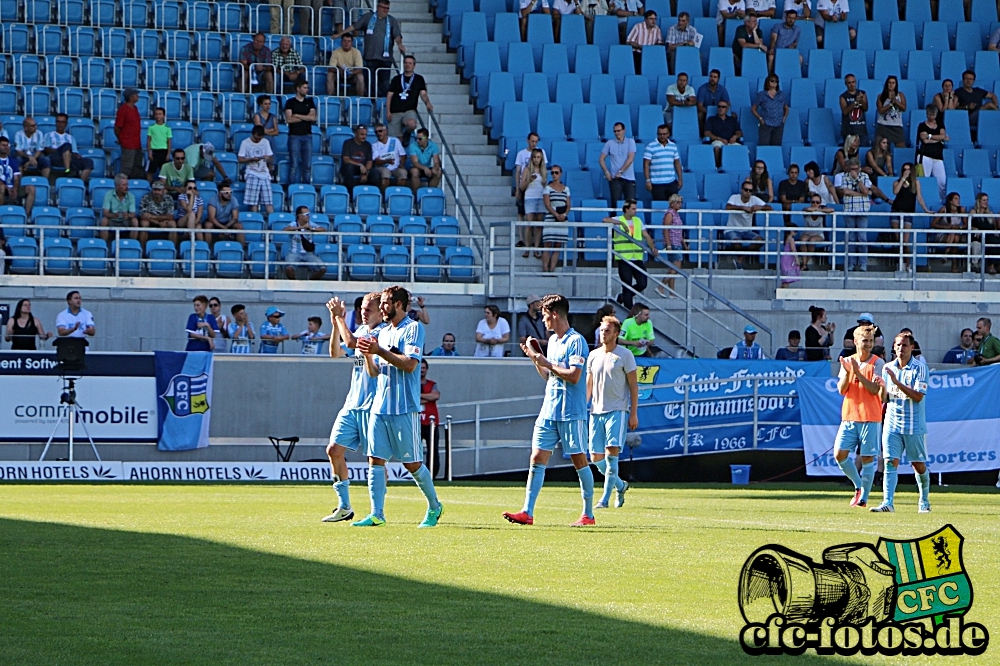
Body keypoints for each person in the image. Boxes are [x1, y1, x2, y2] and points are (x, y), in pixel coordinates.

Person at [354, 286, 443, 528]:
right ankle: (376, 514)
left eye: (385, 303)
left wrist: (379, 350)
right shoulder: (382, 333)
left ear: (400, 305)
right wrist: (368, 356)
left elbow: (410, 364)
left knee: (412, 464)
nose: (381, 308)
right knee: (375, 460)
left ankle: (435, 507)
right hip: (380, 407)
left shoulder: (413, 328)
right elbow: (374, 373)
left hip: (404, 408)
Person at [504, 294, 594, 527]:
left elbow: (574, 376)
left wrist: (545, 362)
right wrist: (535, 359)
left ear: (554, 314)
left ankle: (588, 514)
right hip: (549, 409)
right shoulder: (553, 341)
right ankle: (527, 511)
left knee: (578, 459)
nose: (543, 321)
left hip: (571, 411)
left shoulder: (577, 341)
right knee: (536, 457)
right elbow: (548, 375)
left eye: (544, 315)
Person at [322, 292, 384, 523]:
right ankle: (344, 506)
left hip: (373, 407)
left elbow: (349, 343)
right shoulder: (360, 331)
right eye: (362, 308)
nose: (363, 312)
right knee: (334, 450)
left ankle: (377, 512)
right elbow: (336, 352)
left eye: (369, 308)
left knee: (375, 460)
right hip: (352, 404)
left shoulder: (381, 334)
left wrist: (339, 317)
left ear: (381, 311)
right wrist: (334, 322)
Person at [872, 332, 931, 513]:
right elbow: (885, 399)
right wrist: (882, 386)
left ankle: (924, 501)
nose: (900, 348)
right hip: (892, 423)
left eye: (904, 345)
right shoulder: (888, 368)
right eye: (897, 345)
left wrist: (896, 382)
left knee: (917, 465)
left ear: (912, 348)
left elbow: (918, 397)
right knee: (890, 462)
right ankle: (887, 502)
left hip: (913, 424)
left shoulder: (920, 368)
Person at [587, 315, 637, 509]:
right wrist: (584, 406)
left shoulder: (625, 355)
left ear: (616, 334)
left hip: (617, 410)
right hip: (596, 411)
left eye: (607, 331)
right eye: (601, 330)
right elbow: (589, 384)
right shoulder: (593, 355)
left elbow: (633, 386)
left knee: (611, 454)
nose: (603, 334)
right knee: (595, 457)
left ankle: (604, 499)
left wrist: (633, 413)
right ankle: (620, 485)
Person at [834, 325, 884, 509]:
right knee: (839, 455)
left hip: (870, 416)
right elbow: (841, 390)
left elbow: (874, 390)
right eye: (865, 341)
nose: (869, 344)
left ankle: (864, 498)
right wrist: (848, 372)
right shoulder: (847, 361)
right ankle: (858, 486)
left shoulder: (878, 363)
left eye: (871, 341)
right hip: (849, 416)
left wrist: (857, 373)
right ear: (856, 342)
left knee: (868, 458)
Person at [333, 0, 406, 99]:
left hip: (386, 59)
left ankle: (381, 107)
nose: (385, 10)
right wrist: (339, 34)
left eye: (387, 8)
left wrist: (400, 44)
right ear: (378, 7)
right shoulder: (368, 17)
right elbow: (353, 27)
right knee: (370, 84)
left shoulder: (392, 20)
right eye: (383, 7)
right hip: (370, 58)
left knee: (384, 85)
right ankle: (371, 104)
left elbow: (397, 35)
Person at [604, 200, 660, 308]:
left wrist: (652, 247)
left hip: (637, 257)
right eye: (633, 209)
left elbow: (646, 236)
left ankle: (622, 297)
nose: (635, 211)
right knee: (627, 285)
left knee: (642, 283)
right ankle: (629, 310)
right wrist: (621, 224)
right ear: (626, 209)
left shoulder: (638, 220)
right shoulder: (618, 219)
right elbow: (605, 220)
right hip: (624, 258)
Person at [386, 54, 433, 142]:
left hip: (409, 110)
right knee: (396, 140)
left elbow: (423, 94)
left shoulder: (419, 79)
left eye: (410, 63)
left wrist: (428, 103)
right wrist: (388, 111)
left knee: (412, 124)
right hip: (395, 110)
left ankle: (407, 133)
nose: (407, 65)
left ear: (414, 65)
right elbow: (389, 95)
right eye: (406, 63)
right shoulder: (396, 79)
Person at [724, 181, 769, 268]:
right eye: (746, 190)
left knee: (760, 240)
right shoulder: (734, 197)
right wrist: (743, 208)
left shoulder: (754, 199)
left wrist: (760, 207)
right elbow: (728, 207)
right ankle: (740, 262)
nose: (748, 192)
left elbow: (770, 208)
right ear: (741, 190)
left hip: (747, 230)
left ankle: (740, 259)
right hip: (732, 229)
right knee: (737, 242)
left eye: (750, 190)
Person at [514, 133, 547, 249]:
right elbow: (518, 171)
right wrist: (518, 188)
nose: (534, 143)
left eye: (536, 141)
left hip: (539, 195)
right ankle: (523, 241)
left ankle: (536, 245)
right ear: (528, 140)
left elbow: (545, 175)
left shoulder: (543, 165)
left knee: (538, 222)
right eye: (532, 141)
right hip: (528, 192)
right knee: (524, 215)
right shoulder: (522, 155)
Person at [838, 158, 872, 272]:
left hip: (862, 210)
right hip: (849, 210)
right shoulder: (844, 177)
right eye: (851, 169)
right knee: (851, 239)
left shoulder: (865, 177)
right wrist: (861, 194)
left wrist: (857, 179)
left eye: (855, 169)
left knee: (862, 238)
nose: (853, 171)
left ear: (859, 168)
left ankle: (863, 264)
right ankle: (851, 264)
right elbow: (846, 192)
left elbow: (866, 191)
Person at [284, 80, 316, 185]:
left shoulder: (310, 102)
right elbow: (289, 119)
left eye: (307, 88)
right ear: (298, 88)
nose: (307, 90)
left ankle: (306, 186)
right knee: (294, 164)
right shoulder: (290, 102)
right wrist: (305, 117)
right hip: (294, 136)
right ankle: (291, 187)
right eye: (304, 88)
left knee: (307, 164)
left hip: (307, 136)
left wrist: (297, 115)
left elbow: (313, 118)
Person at [45, 114, 94, 182]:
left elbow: (74, 152)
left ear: (66, 123)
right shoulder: (49, 135)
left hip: (69, 159)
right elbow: (46, 150)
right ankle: (67, 171)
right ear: (55, 123)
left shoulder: (70, 137)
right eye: (58, 122)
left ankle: (80, 183)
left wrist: (71, 154)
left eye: (62, 122)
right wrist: (62, 151)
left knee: (89, 162)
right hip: (55, 158)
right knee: (66, 145)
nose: (60, 124)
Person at [541, 165, 571, 273]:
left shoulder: (566, 188)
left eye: (556, 173)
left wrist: (564, 214)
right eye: (552, 173)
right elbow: (547, 204)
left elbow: (568, 204)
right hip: (550, 217)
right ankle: (545, 269)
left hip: (562, 218)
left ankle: (552, 269)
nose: (554, 175)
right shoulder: (547, 189)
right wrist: (556, 214)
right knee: (548, 243)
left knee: (558, 244)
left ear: (560, 174)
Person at [283, 206, 327, 280]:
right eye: (307, 214)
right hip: (294, 253)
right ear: (300, 216)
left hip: (308, 253)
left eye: (309, 214)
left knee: (322, 268)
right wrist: (300, 228)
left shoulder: (310, 224)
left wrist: (312, 229)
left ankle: (310, 284)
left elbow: (323, 229)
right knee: (289, 268)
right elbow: (285, 229)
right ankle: (294, 286)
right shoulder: (294, 224)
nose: (309, 216)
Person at [238, 125, 275, 215]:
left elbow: (271, 158)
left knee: (268, 201)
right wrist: (251, 159)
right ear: (252, 134)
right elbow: (240, 159)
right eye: (256, 138)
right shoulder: (245, 143)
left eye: (260, 138)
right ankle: (255, 219)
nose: (258, 140)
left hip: (264, 173)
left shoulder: (265, 142)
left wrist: (267, 158)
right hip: (252, 172)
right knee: (253, 202)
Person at [658, 193, 689, 296]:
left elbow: (678, 232)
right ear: (672, 203)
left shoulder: (676, 214)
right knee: (676, 267)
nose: (680, 204)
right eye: (678, 202)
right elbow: (666, 230)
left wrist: (684, 245)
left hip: (677, 243)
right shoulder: (669, 214)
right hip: (672, 243)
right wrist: (668, 245)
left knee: (673, 268)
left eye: (681, 202)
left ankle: (672, 292)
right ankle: (661, 286)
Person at [599, 122, 637, 204]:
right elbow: (601, 159)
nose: (617, 133)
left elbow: (630, 159)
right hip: (615, 179)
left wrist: (620, 171)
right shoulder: (609, 143)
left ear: (624, 130)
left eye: (618, 131)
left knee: (630, 203)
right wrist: (606, 172)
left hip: (629, 178)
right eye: (615, 131)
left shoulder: (631, 142)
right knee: (615, 203)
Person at [643, 124, 683, 201]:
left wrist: (680, 179)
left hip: (671, 182)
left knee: (673, 207)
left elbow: (677, 163)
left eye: (664, 134)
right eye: (660, 134)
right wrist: (648, 180)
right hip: (657, 183)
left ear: (668, 134)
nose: (662, 136)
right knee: (660, 208)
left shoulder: (673, 146)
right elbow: (646, 164)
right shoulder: (650, 146)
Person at [916, 105, 948, 201]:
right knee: (925, 180)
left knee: (942, 182)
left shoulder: (940, 125)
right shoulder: (922, 125)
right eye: (929, 115)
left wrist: (930, 136)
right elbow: (924, 140)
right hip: (925, 156)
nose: (931, 117)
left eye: (933, 115)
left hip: (938, 157)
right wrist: (939, 139)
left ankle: (941, 201)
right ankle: (923, 200)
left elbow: (943, 135)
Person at [520, 148, 547, 257]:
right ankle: (527, 248)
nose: (536, 159)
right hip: (530, 197)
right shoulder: (527, 170)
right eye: (535, 157)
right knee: (529, 223)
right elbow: (522, 187)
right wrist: (529, 180)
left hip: (540, 197)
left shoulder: (544, 171)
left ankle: (536, 248)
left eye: (538, 157)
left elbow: (545, 187)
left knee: (539, 224)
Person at [0, 137, 36, 216]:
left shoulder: (12, 160)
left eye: (7, 145)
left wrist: (15, 188)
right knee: (1, 187)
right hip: (2, 187)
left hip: (12, 186)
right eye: (3, 145)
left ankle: (26, 216)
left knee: (31, 188)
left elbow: (16, 177)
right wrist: (6, 187)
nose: (6, 147)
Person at [956, 70, 999, 136]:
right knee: (989, 105)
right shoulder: (958, 92)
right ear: (963, 80)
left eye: (971, 79)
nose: (968, 81)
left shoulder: (978, 90)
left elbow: (993, 95)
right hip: (968, 118)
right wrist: (967, 107)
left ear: (973, 81)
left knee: (990, 111)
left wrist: (995, 106)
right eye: (966, 78)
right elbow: (954, 107)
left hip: (983, 116)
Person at [931, 192, 966, 273]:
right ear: (950, 201)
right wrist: (946, 227)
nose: (958, 201)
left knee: (955, 236)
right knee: (954, 236)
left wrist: (959, 227)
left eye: (958, 199)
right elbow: (933, 224)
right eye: (956, 199)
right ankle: (954, 264)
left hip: (956, 232)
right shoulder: (943, 210)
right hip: (943, 234)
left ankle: (946, 254)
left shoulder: (961, 210)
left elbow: (966, 224)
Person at [751, 74, 789, 146]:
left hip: (779, 124)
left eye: (776, 81)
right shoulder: (761, 95)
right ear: (767, 82)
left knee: (776, 146)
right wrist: (760, 119)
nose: (774, 82)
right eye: (772, 81)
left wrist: (784, 118)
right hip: (766, 123)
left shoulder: (781, 94)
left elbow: (786, 108)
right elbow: (753, 109)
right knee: (764, 145)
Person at [114, 88, 144, 180]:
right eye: (136, 94)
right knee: (127, 167)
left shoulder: (135, 108)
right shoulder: (123, 109)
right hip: (128, 144)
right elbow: (117, 127)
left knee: (137, 167)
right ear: (131, 97)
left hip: (136, 143)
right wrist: (121, 138)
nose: (138, 96)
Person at [419, 359, 442, 477]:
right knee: (415, 451)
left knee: (433, 451)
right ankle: (416, 475)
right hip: (416, 423)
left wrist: (419, 396)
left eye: (424, 368)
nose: (422, 370)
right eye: (420, 368)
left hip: (431, 423)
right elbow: (408, 398)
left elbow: (436, 395)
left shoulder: (432, 384)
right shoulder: (412, 383)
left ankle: (432, 475)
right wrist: (428, 398)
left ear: (427, 369)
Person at [703, 99, 742, 167]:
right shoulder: (711, 119)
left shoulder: (732, 119)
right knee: (717, 147)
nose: (721, 108)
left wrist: (735, 137)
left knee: (743, 150)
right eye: (719, 106)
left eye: (723, 107)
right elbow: (707, 133)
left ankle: (739, 167)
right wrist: (720, 139)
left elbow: (740, 132)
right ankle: (717, 167)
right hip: (717, 141)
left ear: (727, 109)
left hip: (730, 141)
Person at [797, 193, 831, 269]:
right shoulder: (807, 210)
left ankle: (804, 264)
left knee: (812, 240)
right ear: (810, 202)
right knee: (803, 240)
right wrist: (815, 209)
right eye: (813, 202)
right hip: (807, 233)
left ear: (820, 203)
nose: (815, 204)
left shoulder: (822, 211)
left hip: (818, 234)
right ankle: (805, 264)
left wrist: (818, 209)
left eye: (817, 202)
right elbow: (807, 209)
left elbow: (831, 210)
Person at [100, 174, 137, 242]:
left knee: (135, 221)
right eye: (124, 185)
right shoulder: (108, 195)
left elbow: (133, 214)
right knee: (104, 221)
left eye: (127, 184)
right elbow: (105, 213)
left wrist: (128, 215)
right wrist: (113, 215)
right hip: (112, 219)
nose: (127, 187)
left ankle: (132, 244)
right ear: (117, 185)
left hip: (125, 220)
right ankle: (103, 244)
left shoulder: (131, 196)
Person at [370, 124, 408, 191]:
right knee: (385, 174)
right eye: (376, 132)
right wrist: (387, 161)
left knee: (403, 174)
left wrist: (401, 164)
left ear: (386, 131)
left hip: (396, 167)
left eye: (380, 131)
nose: (378, 133)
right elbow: (376, 161)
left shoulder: (395, 141)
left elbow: (403, 155)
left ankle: (396, 194)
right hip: (382, 167)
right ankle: (384, 197)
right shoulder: (374, 145)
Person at [138, 180, 176, 246]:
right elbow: (143, 215)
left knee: (172, 223)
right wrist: (157, 223)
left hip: (163, 221)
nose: (157, 192)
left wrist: (154, 217)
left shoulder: (168, 198)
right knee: (144, 223)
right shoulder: (146, 197)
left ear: (163, 190)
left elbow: (170, 216)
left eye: (159, 190)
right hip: (150, 221)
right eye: (155, 190)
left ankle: (172, 248)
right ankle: (142, 250)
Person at [206, 181, 243, 246]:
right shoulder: (213, 200)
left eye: (230, 192)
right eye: (226, 193)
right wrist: (223, 228)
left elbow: (235, 218)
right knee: (208, 225)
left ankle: (241, 249)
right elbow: (211, 218)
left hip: (228, 223)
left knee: (239, 226)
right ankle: (207, 248)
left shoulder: (233, 200)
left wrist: (226, 227)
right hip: (215, 223)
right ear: (220, 194)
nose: (229, 195)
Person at [970, 192, 999, 274]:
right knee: (992, 240)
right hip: (978, 236)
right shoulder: (973, 212)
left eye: (987, 200)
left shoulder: (990, 214)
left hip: (989, 235)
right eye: (984, 200)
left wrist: (995, 232)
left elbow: (995, 227)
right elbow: (969, 225)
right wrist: (974, 228)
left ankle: (995, 265)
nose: (986, 202)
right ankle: (991, 266)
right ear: (979, 201)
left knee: (995, 240)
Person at [340, 124, 373, 196]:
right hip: (352, 168)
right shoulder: (348, 143)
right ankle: (350, 195)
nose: (364, 136)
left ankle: (370, 195)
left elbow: (369, 162)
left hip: (363, 169)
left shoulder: (368, 145)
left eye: (365, 134)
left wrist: (365, 172)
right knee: (349, 168)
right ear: (355, 133)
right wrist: (360, 165)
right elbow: (346, 159)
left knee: (375, 172)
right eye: (362, 134)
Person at [875, 75, 907, 149]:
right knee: (882, 148)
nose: (891, 84)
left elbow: (904, 108)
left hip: (897, 126)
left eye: (893, 83)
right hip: (883, 126)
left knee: (901, 147)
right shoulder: (881, 96)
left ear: (896, 85)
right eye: (889, 82)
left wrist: (895, 101)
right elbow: (881, 110)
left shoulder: (901, 95)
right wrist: (890, 104)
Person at [626, 10, 663, 74]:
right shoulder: (638, 27)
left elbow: (660, 42)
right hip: (638, 53)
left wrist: (654, 48)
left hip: (651, 54)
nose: (653, 21)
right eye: (651, 19)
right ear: (645, 19)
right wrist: (641, 47)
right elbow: (629, 41)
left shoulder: (657, 29)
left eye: (655, 19)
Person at [407, 128, 442, 194]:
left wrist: (435, 168)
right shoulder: (413, 146)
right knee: (415, 171)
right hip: (417, 167)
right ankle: (417, 195)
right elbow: (415, 163)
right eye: (417, 138)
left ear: (426, 138)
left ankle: (429, 193)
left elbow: (437, 162)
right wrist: (425, 168)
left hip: (427, 167)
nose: (417, 140)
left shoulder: (434, 146)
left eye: (420, 139)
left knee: (438, 172)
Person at [839, 74, 869, 145]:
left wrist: (860, 100)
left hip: (861, 129)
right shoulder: (843, 97)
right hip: (848, 130)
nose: (852, 84)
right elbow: (845, 111)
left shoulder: (862, 93)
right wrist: (855, 102)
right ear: (845, 84)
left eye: (853, 82)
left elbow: (866, 108)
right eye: (849, 83)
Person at [253, 95, 281, 165]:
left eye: (269, 104)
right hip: (260, 140)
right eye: (265, 104)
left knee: (271, 161)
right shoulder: (257, 115)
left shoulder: (273, 116)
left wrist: (266, 131)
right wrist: (271, 130)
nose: (268, 106)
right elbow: (259, 130)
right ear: (261, 104)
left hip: (271, 141)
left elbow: (277, 132)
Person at [146, 107, 171, 182]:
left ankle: (163, 187)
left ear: (164, 115)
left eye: (160, 114)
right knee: (150, 171)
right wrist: (149, 153)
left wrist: (168, 154)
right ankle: (149, 185)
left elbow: (169, 141)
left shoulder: (167, 128)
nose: (158, 116)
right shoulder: (151, 127)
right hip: (154, 152)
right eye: (156, 114)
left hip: (164, 151)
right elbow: (148, 140)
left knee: (164, 172)